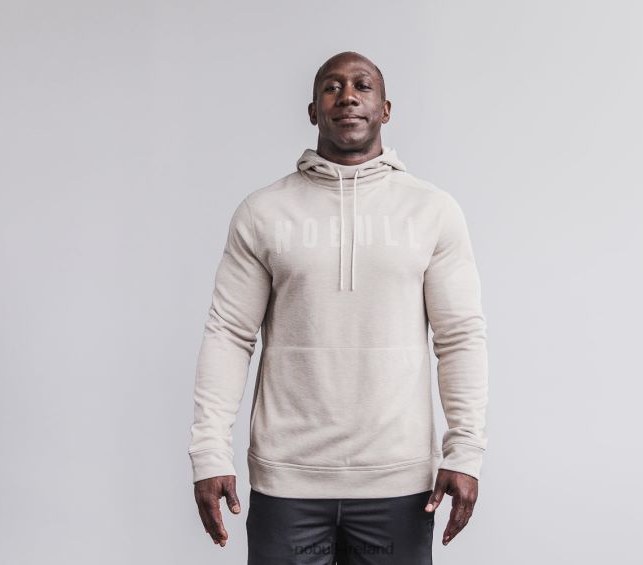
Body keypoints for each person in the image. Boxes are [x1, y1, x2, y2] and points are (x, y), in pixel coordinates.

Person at [189, 50, 489, 564]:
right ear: (313, 111)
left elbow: (459, 336)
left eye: (362, 86)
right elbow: (229, 334)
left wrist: (465, 452)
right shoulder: (264, 211)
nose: (347, 96)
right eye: (331, 87)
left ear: (385, 109)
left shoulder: (432, 210)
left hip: (399, 480)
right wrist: (209, 453)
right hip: (287, 480)